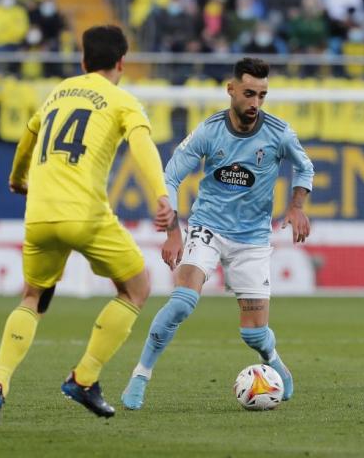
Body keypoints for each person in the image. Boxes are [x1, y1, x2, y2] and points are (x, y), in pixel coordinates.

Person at [0, 24, 175, 428]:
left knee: (32, 297)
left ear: (83, 61)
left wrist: (17, 178)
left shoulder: (58, 92)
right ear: (122, 62)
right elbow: (142, 146)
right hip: (85, 214)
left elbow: (28, 137)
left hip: (39, 214)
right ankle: (84, 377)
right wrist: (162, 195)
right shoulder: (122, 100)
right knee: (137, 288)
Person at [121, 57, 315, 410]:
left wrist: (297, 205)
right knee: (181, 302)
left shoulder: (278, 132)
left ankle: (274, 360)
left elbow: (305, 167)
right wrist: (173, 232)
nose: (255, 103)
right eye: (248, 93)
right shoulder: (209, 131)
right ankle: (140, 375)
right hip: (207, 228)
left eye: (262, 95)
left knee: (253, 333)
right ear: (231, 90)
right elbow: (170, 176)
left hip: (253, 240)